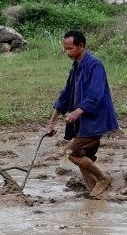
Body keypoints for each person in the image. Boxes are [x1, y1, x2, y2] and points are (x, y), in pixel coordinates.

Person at [45, 30, 119, 197]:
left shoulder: (95, 65)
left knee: (72, 153)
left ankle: (102, 178)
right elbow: (64, 96)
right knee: (84, 158)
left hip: (95, 121)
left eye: (70, 48)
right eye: (65, 48)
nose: (67, 52)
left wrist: (76, 113)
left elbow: (96, 94)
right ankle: (96, 194)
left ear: (81, 46)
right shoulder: (75, 68)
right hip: (82, 122)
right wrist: (51, 122)